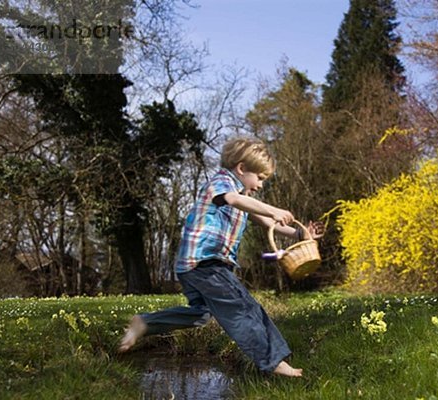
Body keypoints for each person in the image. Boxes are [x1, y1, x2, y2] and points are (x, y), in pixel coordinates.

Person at [118, 137, 324, 378]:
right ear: (241, 168)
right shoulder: (222, 183)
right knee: (242, 307)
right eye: (259, 178)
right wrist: (273, 209)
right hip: (205, 263)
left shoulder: (245, 198)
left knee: (201, 315)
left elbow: (271, 224)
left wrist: (301, 233)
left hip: (193, 267)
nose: (259, 185)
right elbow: (233, 199)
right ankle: (273, 361)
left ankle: (144, 323)